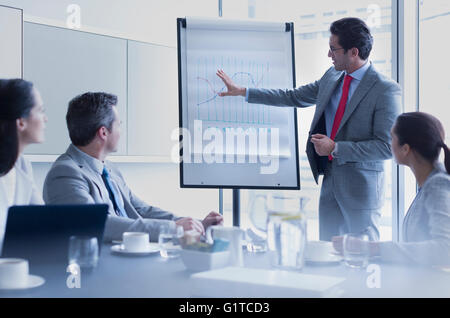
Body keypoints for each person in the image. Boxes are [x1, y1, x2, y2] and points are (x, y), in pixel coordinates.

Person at [216, 17, 401, 241]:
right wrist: (243, 91)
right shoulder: (332, 77)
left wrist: (336, 148)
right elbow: (292, 96)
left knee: (362, 255)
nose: (329, 54)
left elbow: (386, 147)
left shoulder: (385, 89)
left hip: (361, 188)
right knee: (328, 251)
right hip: (330, 181)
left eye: (334, 49)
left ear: (353, 52)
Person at [43, 92, 223, 242]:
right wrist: (173, 228)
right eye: (118, 125)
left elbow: (143, 211)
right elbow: (97, 223)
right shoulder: (65, 173)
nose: (121, 131)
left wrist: (198, 225)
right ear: (103, 132)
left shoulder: (110, 169)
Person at [334, 112, 450, 266]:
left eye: (392, 138)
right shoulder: (430, 181)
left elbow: (445, 250)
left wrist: (372, 248)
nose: (390, 144)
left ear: (405, 149)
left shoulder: (437, 185)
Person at [0, 79, 47, 249]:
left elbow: (43, 220)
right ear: (21, 122)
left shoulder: (23, 165)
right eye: (41, 111)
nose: (46, 119)